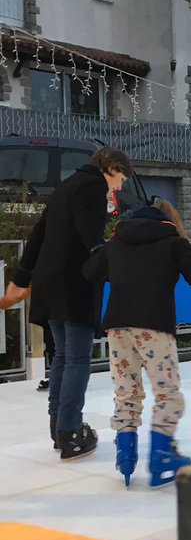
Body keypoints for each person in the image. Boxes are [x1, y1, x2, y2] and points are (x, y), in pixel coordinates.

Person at [83, 199, 191, 487]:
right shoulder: (174, 244)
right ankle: (160, 456)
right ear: (170, 222)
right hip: (154, 326)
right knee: (167, 393)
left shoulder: (117, 243)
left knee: (126, 391)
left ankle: (126, 453)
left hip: (118, 327)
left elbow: (90, 271)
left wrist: (111, 256)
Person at [3, 146, 133, 461]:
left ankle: (58, 426)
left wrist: (21, 277)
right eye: (120, 180)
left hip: (49, 281)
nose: (118, 188)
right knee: (77, 359)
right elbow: (91, 239)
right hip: (74, 283)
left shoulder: (66, 186)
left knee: (62, 356)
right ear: (112, 169)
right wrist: (115, 270)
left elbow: (37, 235)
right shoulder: (92, 187)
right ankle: (71, 431)